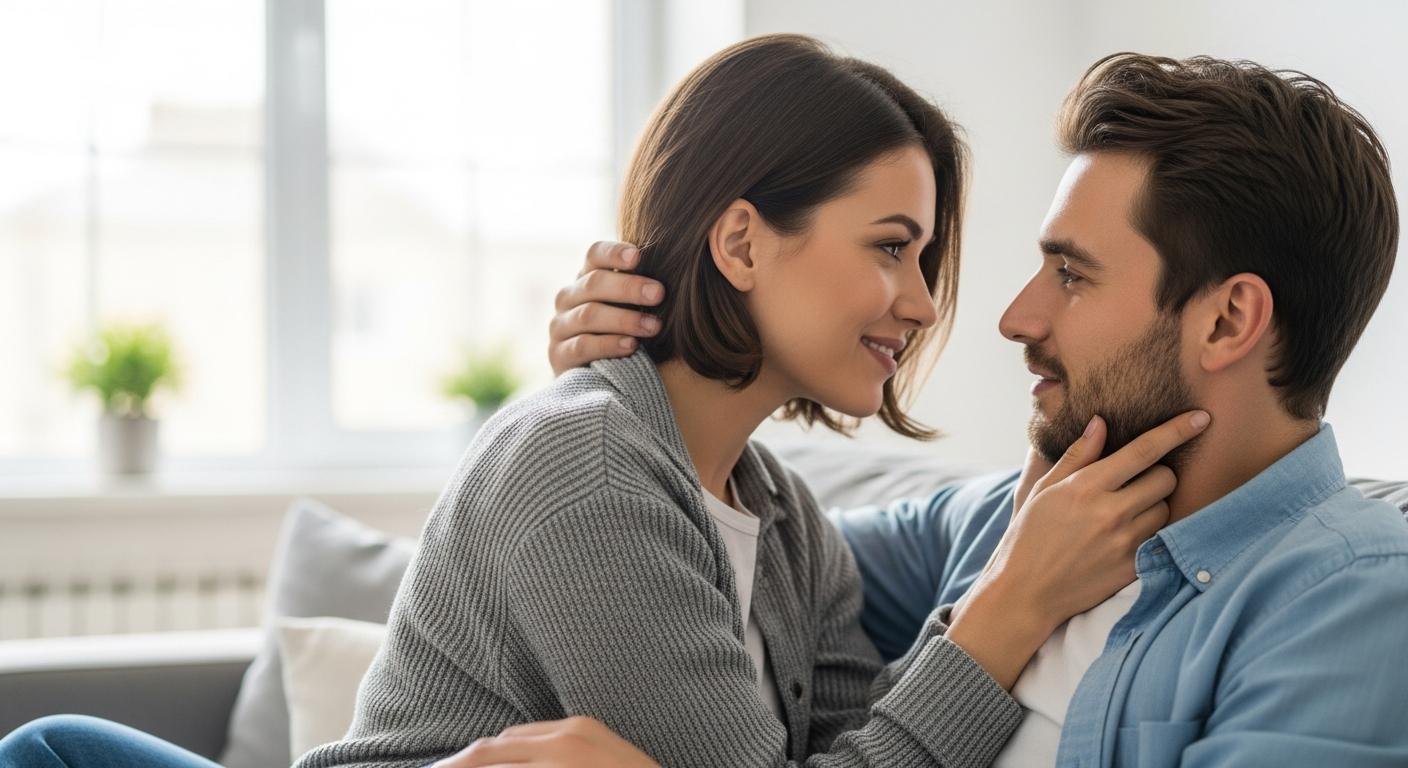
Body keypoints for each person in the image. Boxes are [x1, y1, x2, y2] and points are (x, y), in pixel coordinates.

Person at [0, 36, 1202, 768]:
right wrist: (1004, 615)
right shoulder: (580, 468)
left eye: (928, 259)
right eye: (890, 247)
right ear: (741, 238)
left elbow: (858, 749)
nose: (921, 300)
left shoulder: (786, 525)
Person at [532, 52, 1408, 766]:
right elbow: (686, 557)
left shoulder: (1352, 600)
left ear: (1227, 320)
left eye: (1072, 274)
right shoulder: (1002, 521)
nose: (1014, 317)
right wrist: (631, 383)